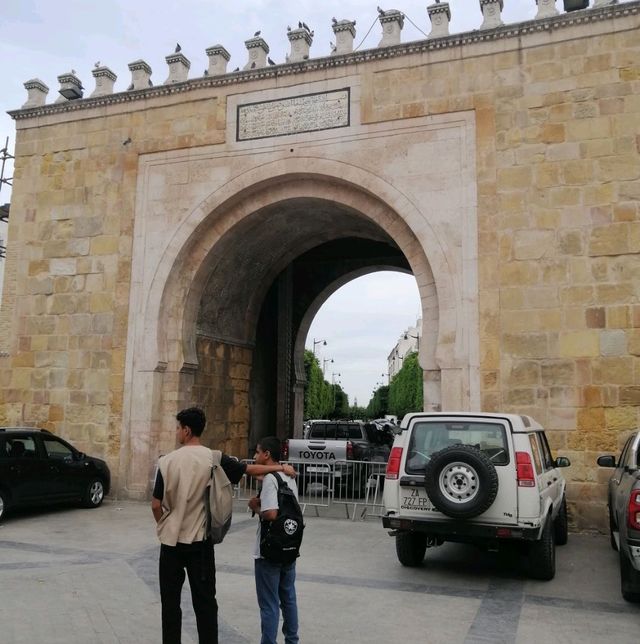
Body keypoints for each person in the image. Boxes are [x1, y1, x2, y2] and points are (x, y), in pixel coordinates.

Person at [151, 408, 296, 644]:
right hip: (200, 543)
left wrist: (165, 524)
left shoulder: (166, 461)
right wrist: (279, 468)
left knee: (170, 604)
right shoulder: (214, 458)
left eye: (178, 428)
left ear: (186, 430)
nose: (177, 432)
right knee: (205, 603)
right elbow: (249, 470)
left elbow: (156, 504)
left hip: (171, 544)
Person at [248, 436, 300, 644]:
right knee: (288, 598)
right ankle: (292, 640)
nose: (254, 456)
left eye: (257, 452)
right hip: (289, 547)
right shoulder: (290, 477)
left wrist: (256, 508)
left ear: (267, 454)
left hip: (269, 551)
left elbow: (271, 514)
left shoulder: (271, 479)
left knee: (269, 604)